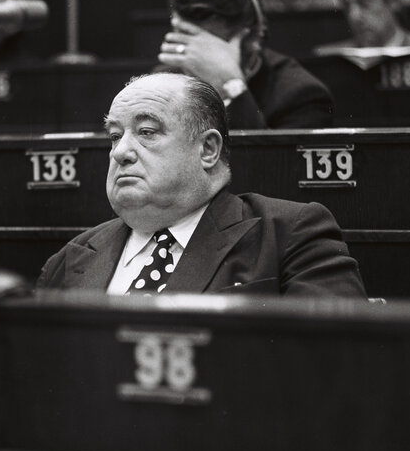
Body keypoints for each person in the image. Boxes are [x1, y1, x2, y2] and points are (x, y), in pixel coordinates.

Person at [37, 72, 366, 298]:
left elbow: (335, 366)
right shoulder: (70, 258)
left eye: (147, 132)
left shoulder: (290, 234)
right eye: (114, 136)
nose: (120, 151)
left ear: (208, 149)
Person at [157, 0, 334, 130]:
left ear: (252, 39)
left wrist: (230, 88)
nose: (196, 56)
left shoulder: (301, 95)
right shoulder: (163, 79)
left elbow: (273, 166)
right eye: (185, 37)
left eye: (209, 46)